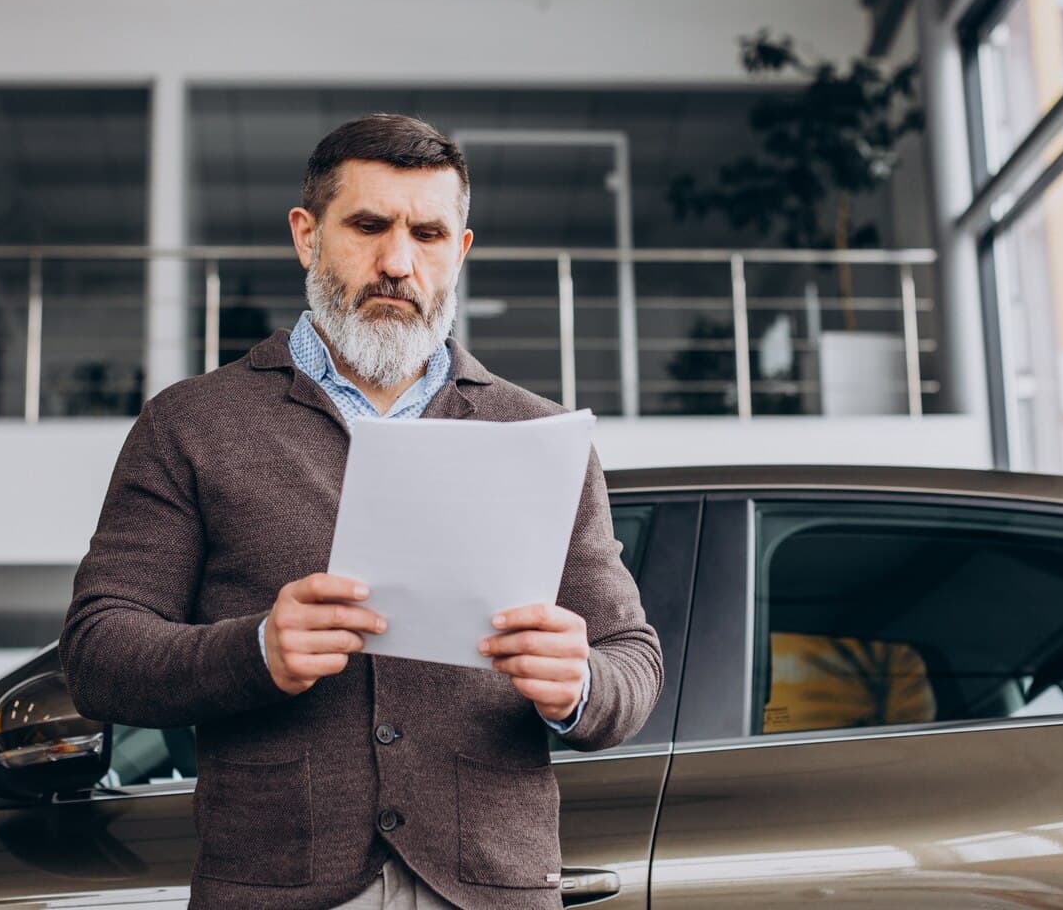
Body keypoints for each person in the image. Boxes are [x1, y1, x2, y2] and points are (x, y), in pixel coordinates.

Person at [60, 113, 662, 910]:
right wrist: (258, 651)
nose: (397, 262)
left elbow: (633, 659)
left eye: (428, 234)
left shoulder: (539, 435)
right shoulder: (190, 424)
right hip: (278, 889)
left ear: (461, 251)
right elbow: (99, 652)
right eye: (369, 226)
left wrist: (580, 683)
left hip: (488, 891)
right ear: (307, 236)